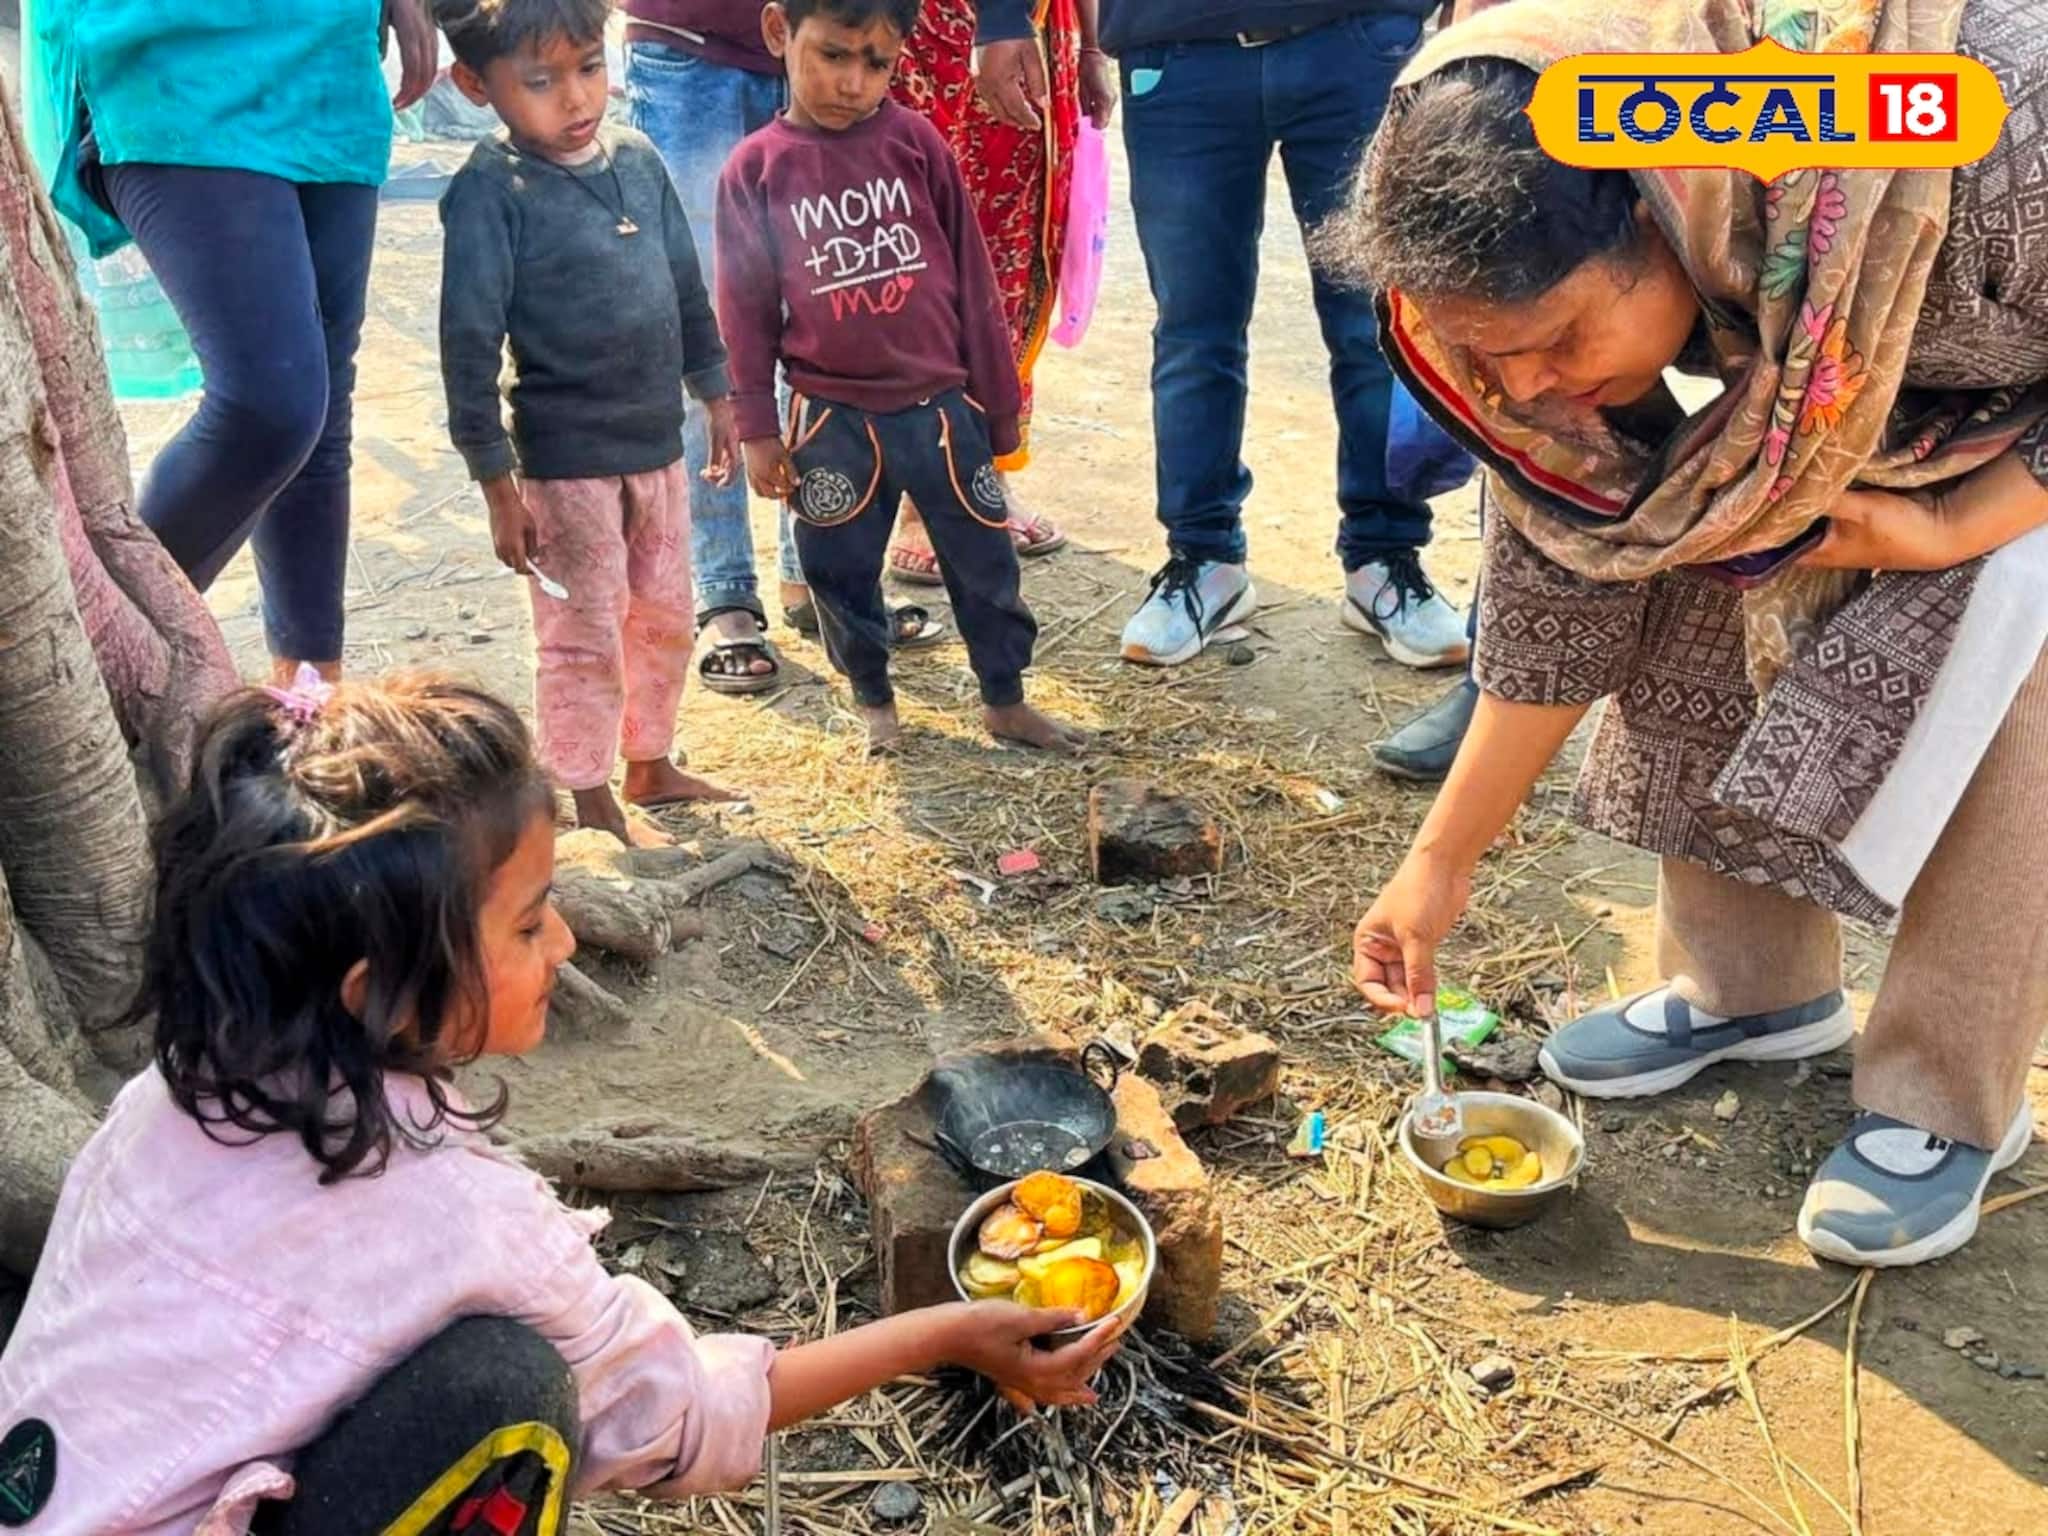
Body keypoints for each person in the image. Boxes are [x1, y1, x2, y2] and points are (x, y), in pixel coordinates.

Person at [0, 672, 1123, 1533]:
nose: (569, 939)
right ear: (379, 990)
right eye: (531, 921)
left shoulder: (163, 1103)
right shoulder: (456, 1217)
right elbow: (677, 1418)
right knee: (507, 1389)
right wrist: (959, 1331)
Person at [1340, 0, 2047, 1268]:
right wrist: (1439, 862)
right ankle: (1754, 991)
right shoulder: (1642, 192)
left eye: (1555, 340)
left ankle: (1948, 1098)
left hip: (2011, 442)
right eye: (1484, 360)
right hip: (1811, 404)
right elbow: (1566, 584)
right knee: (1691, 544)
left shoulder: (1988, 123)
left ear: (1660, 209)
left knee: (2007, 670)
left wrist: (1953, 523)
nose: (1525, 391)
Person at [973, 0, 1466, 672]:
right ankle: (1205, 560)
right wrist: (1001, 18)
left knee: (1373, 323)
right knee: (1193, 332)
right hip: (1177, 50)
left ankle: (1385, 558)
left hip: (1357, 43)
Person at [715, 0, 1088, 756]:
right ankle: (875, 706)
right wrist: (757, 428)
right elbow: (744, 311)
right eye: (834, 55)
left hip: (941, 410)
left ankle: (1005, 699)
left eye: (876, 63)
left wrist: (1000, 406)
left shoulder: (916, 143)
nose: (854, 82)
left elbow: (973, 280)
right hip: (831, 421)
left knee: (985, 561)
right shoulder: (755, 169)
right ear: (780, 32)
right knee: (839, 572)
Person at [31, 0, 438, 685]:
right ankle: (82, 673)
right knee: (269, 404)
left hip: (327, 52)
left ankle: (307, 706)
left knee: (319, 411)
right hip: (165, 49)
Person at [437, 0, 742, 846]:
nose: (575, 99)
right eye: (540, 81)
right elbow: (468, 346)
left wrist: (717, 393)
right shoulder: (489, 193)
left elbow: (686, 285)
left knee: (665, 617)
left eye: (589, 68)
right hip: (565, 468)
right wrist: (498, 484)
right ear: (474, 83)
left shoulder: (637, 159)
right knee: (582, 633)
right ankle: (587, 788)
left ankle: (650, 762)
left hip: (657, 450)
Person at [623, 0, 950, 694]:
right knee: (706, 328)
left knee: (827, 319)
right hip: (687, 49)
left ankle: (821, 581)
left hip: (823, 40)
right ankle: (726, 590)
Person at [878, 0, 1113, 586]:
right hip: (931, 32)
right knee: (927, 246)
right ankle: (923, 493)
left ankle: (990, 468)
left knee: (1019, 256)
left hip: (1040, 29)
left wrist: (1090, 45)